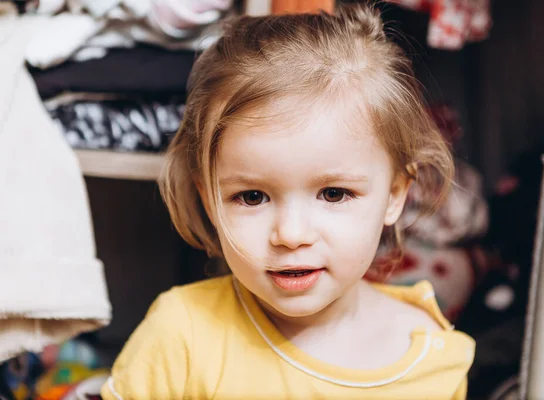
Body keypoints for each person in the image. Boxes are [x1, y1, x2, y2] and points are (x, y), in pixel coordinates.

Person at [101, 3, 475, 399]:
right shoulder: (181, 336)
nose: (291, 235)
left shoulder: (435, 362)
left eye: (334, 193)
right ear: (209, 200)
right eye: (252, 196)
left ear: (395, 195)